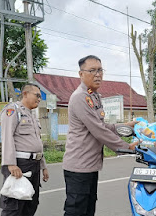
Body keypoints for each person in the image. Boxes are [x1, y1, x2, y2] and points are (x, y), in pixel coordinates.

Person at [62, 55, 139, 216]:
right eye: (92, 70)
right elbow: (99, 130)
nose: (98, 74)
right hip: (79, 167)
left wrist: (126, 126)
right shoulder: (80, 98)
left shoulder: (94, 96)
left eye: (100, 70)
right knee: (76, 212)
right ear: (81, 74)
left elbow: (104, 126)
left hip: (90, 166)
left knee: (89, 210)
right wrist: (126, 148)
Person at [0, 83, 49, 216]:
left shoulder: (32, 116)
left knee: (31, 203)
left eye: (40, 97)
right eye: (37, 95)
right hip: (20, 164)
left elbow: (37, 143)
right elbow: (7, 137)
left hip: (34, 164)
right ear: (25, 94)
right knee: (14, 206)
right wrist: (11, 164)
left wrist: (43, 166)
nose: (39, 99)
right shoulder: (13, 110)